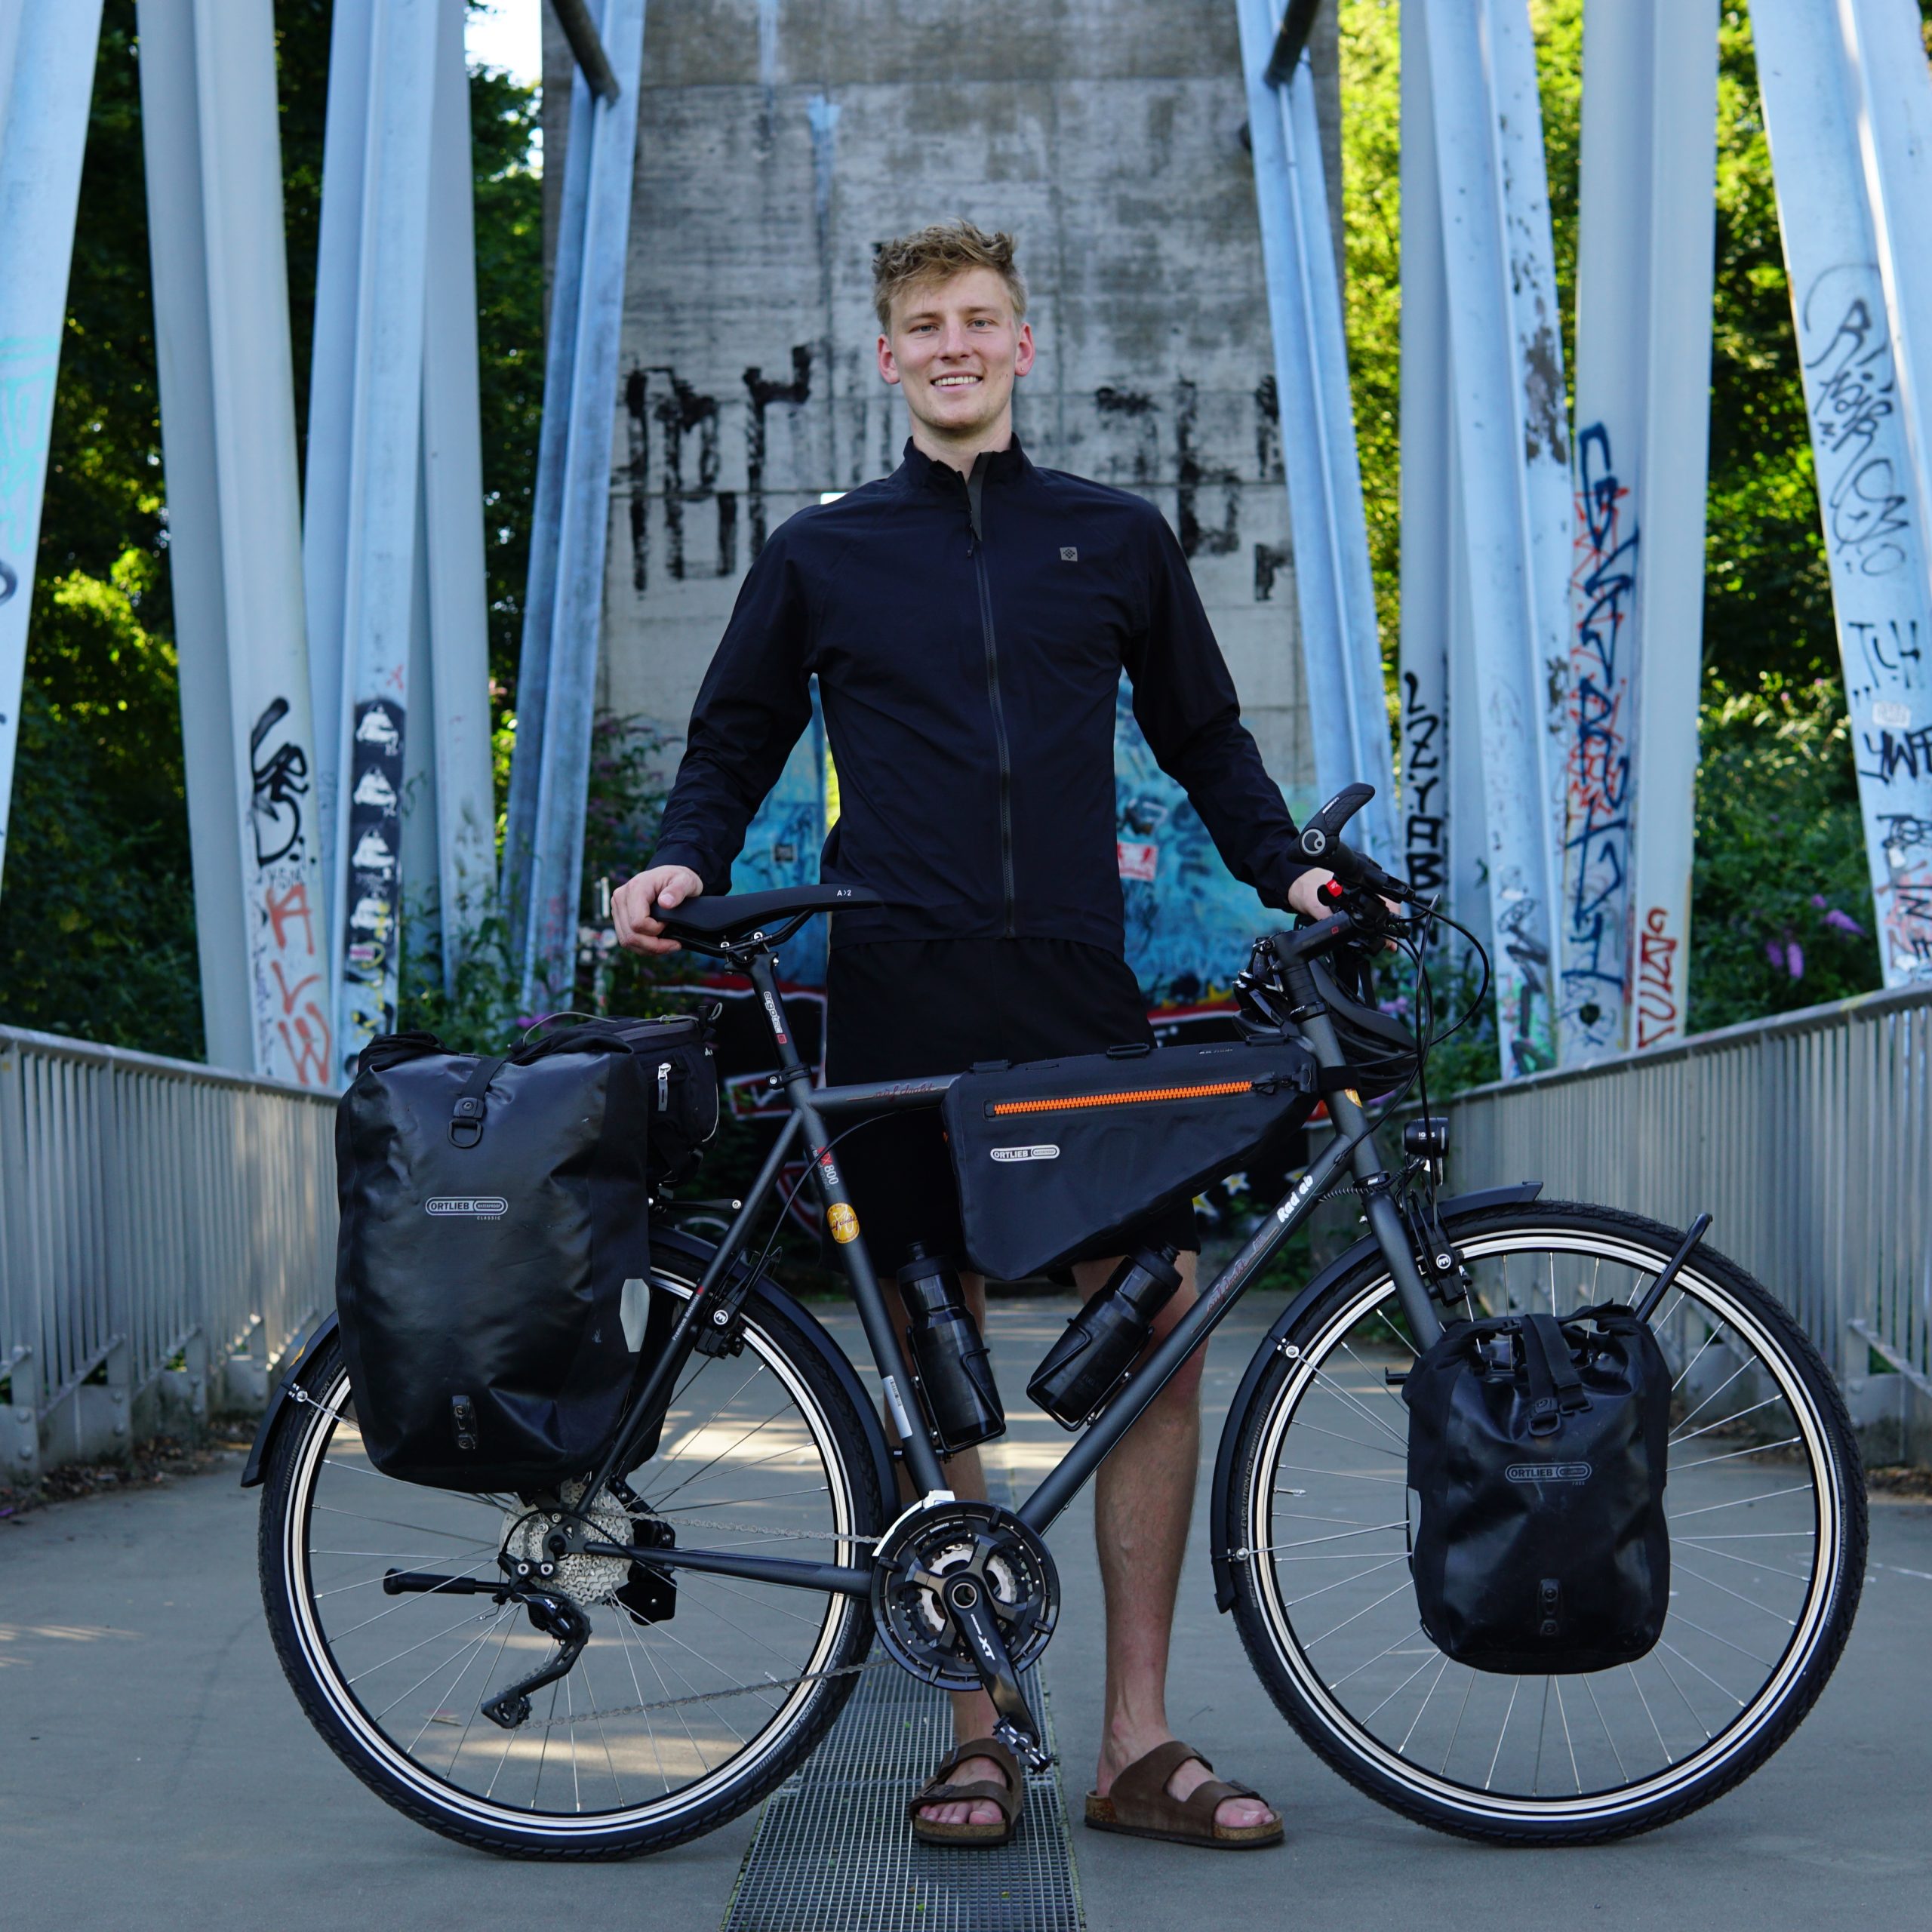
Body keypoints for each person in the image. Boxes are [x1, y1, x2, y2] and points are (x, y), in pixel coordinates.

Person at [616, 220, 1348, 1853]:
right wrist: (681, 857)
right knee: (931, 1354)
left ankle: (1134, 1740)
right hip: (898, 984)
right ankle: (972, 1734)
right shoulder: (822, 551)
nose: (951, 345)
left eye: (978, 321)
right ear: (886, 359)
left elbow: (1203, 735)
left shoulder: (1111, 539)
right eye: (922, 326)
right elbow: (729, 741)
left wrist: (1284, 861)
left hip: (1070, 990)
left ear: (1024, 345)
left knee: (1151, 1320)